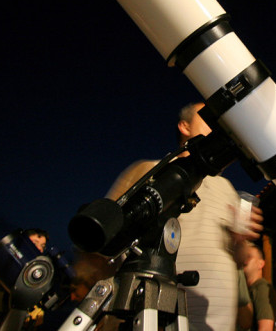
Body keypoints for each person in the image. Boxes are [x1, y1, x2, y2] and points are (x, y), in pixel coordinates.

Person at [105, 102, 263, 330]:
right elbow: (105, 238)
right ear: (184, 126)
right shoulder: (149, 171)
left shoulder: (226, 187)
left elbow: (237, 256)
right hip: (153, 319)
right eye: (208, 119)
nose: (217, 127)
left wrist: (240, 243)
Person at [242, 243, 276, 331]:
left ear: (261, 264)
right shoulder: (250, 289)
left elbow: (266, 328)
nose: (244, 260)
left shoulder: (262, 288)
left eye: (249, 256)